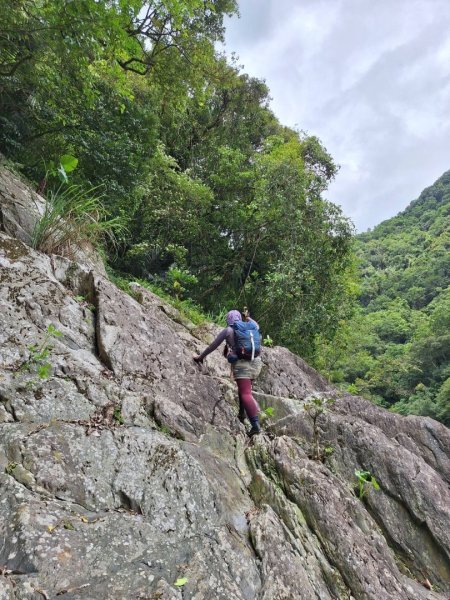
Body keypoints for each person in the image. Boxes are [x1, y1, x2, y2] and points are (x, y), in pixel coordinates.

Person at [194, 309, 263, 436]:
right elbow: (257, 325)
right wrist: (247, 317)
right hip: (256, 362)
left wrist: (200, 357)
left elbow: (212, 346)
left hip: (242, 365)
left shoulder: (229, 331)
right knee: (243, 389)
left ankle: (256, 426)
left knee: (245, 393)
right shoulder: (250, 327)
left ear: (228, 319)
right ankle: (242, 414)